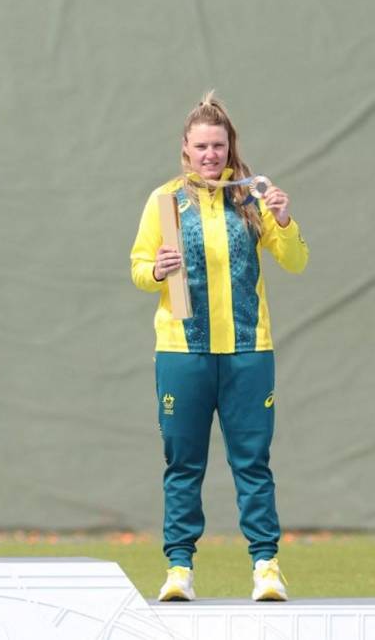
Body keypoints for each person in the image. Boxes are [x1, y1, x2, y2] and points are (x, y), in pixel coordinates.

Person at [130, 92, 308, 602]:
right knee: (183, 462)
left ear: (231, 149)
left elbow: (295, 260)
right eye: (201, 146)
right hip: (183, 351)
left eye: (219, 146)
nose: (210, 155)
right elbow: (139, 268)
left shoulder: (254, 198)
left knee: (252, 461)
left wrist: (286, 220)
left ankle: (267, 566)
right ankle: (179, 570)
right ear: (185, 150)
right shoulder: (165, 201)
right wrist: (156, 271)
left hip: (249, 351)